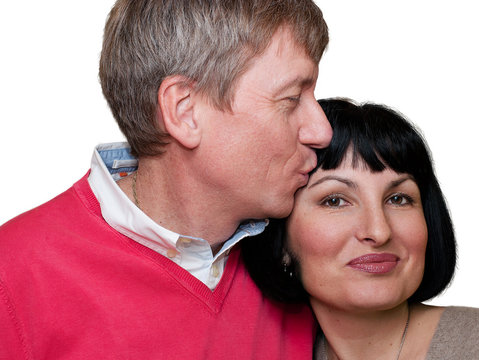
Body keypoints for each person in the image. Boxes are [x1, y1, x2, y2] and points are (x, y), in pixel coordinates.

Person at [0, 1, 333, 358]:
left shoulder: (314, 252)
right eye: (292, 98)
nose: (322, 130)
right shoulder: (14, 277)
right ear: (184, 111)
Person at [242, 99, 479, 360]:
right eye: (335, 201)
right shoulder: (258, 351)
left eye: (398, 199)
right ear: (280, 242)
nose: (379, 231)